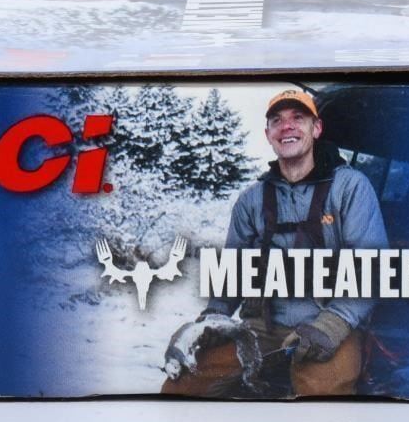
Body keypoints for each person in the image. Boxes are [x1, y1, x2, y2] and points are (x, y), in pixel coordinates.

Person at [161, 89, 388, 397]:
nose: (287, 126)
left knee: (321, 397)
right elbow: (232, 276)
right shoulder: (251, 200)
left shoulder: (351, 188)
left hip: (332, 327)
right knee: (184, 382)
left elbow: (373, 270)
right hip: (258, 330)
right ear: (268, 134)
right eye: (277, 120)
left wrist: (333, 325)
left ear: (316, 129)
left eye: (298, 117)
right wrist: (211, 321)